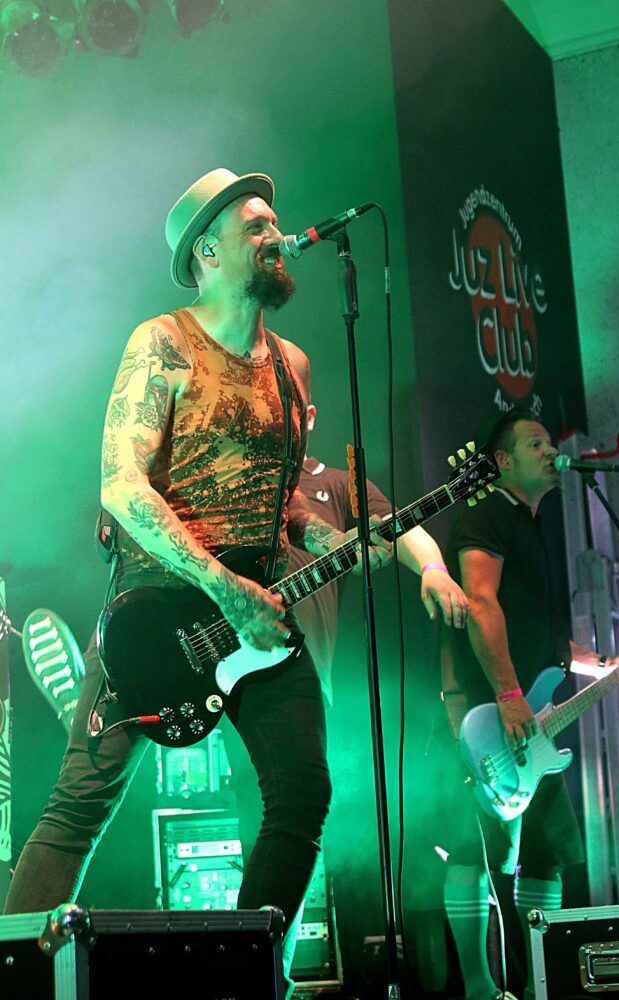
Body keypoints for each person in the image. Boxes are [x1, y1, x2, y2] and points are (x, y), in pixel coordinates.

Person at [3, 167, 397, 983]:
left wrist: (327, 534)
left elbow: (281, 494)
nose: (275, 235)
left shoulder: (292, 364)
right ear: (207, 252)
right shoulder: (163, 341)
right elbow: (121, 484)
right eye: (255, 226)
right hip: (160, 608)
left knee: (302, 795)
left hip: (262, 613)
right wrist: (223, 588)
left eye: (273, 222)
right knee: (82, 802)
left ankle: (250, 976)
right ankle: (14, 973)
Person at [220, 399, 469, 994]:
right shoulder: (238, 473)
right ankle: (252, 971)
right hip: (228, 671)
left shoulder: (337, 483)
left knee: (293, 824)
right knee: (262, 821)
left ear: (308, 415)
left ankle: (268, 973)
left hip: (306, 680)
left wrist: (433, 568)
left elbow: (401, 528)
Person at [438, 407, 619, 1000]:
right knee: (476, 849)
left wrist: (610, 667)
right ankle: (478, 987)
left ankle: (540, 984)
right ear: (501, 461)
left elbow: (547, 644)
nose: (551, 452)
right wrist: (509, 695)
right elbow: (480, 604)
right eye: (536, 444)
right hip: (491, 715)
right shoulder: (488, 516)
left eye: (550, 443)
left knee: (545, 853)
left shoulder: (534, 526)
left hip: (531, 718)